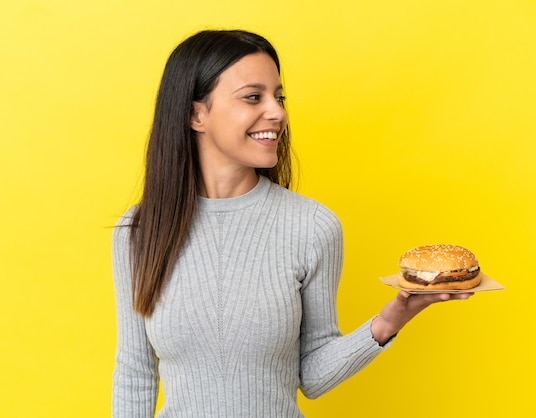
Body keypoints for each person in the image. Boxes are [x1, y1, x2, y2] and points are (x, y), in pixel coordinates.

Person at [111, 29, 472, 418]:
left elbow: (313, 374)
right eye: (254, 97)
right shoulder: (140, 229)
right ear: (196, 114)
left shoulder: (311, 226)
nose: (278, 112)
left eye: (278, 97)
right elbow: (135, 372)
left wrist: (391, 320)